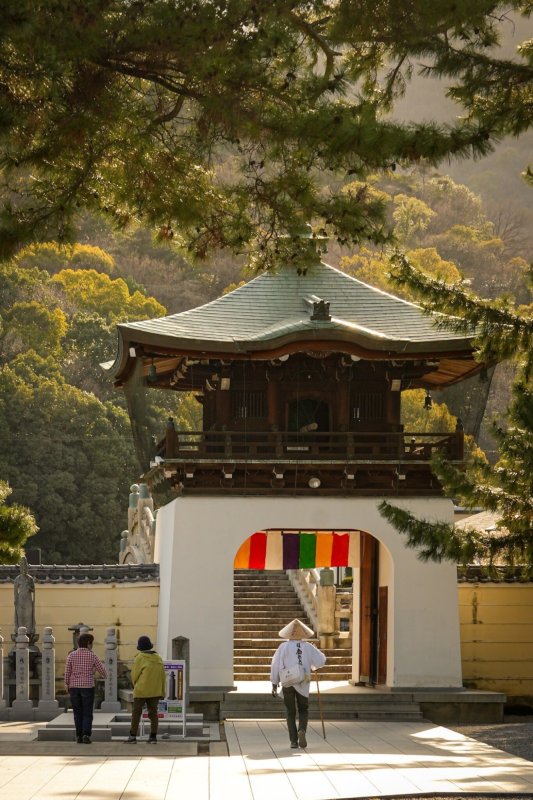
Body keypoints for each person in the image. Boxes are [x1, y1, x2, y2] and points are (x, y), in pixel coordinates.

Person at [270, 618, 326, 749]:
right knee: (303, 709)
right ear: (303, 634)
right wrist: (314, 652)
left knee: (290, 711)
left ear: (289, 634)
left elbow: (275, 664)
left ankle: (293, 741)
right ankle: (302, 730)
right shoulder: (308, 647)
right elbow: (321, 661)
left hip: (288, 680)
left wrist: (274, 683)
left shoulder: (283, 647)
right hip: (303, 681)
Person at [64, 632, 107, 744]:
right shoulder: (92, 655)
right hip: (87, 686)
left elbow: (67, 671)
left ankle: (78, 735)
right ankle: (86, 735)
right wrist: (104, 674)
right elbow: (103, 671)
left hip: (74, 687)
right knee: (87, 712)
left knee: (77, 712)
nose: (92, 645)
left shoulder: (71, 655)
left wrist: (66, 683)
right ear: (88, 643)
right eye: (91, 643)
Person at [125, 635, 166, 743]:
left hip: (141, 691)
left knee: (136, 713)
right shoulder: (158, 658)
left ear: (140, 647)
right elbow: (163, 676)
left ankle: (132, 736)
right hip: (156, 691)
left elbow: (134, 675)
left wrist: (135, 686)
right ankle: (153, 737)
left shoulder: (140, 657)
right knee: (153, 714)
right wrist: (162, 691)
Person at [14, 556, 36, 638]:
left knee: (28, 616)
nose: (23, 568)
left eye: (25, 566)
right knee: (20, 616)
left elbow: (33, 590)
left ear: (27, 567)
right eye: (22, 566)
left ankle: (29, 632)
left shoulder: (30, 579)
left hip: (28, 600)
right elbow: (15, 591)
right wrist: (15, 600)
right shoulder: (17, 579)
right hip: (20, 600)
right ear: (20, 568)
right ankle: (20, 632)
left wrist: (29, 587)